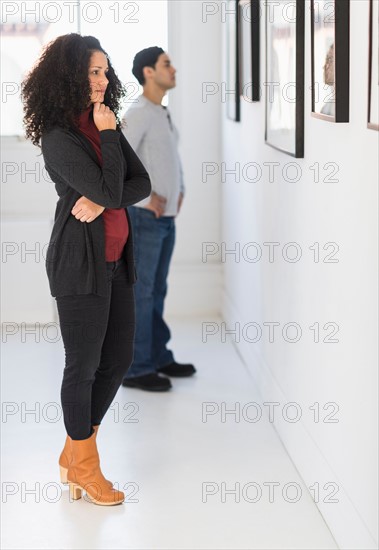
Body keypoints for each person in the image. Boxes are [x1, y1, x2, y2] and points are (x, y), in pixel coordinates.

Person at [21, 34, 151, 505]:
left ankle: (74, 453)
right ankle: (86, 466)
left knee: (117, 359)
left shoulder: (105, 121)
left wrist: (101, 193)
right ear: (71, 77)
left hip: (117, 261)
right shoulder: (59, 137)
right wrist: (107, 180)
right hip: (79, 266)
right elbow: (117, 188)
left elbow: (140, 183)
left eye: (104, 71)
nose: (103, 79)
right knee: (83, 365)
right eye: (93, 72)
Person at [121, 47, 196, 392]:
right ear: (149, 72)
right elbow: (119, 162)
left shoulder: (160, 113)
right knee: (143, 292)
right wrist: (147, 198)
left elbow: (170, 156)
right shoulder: (138, 113)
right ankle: (136, 369)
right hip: (144, 218)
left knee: (157, 291)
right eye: (167, 64)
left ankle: (158, 356)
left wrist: (180, 188)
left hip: (165, 218)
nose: (174, 69)